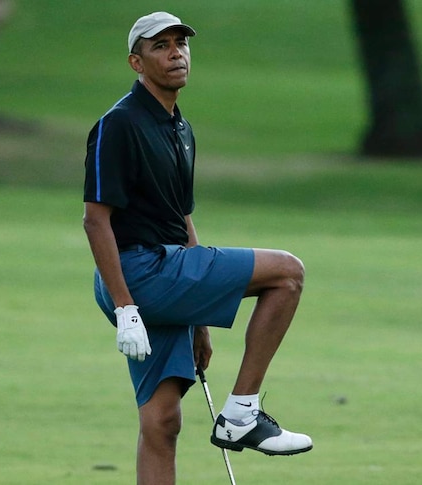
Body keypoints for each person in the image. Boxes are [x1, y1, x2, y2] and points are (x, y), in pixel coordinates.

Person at [82, 11, 313, 484]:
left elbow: (181, 221)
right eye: (160, 46)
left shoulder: (180, 129)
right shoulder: (118, 125)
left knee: (161, 422)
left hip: (166, 275)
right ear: (136, 62)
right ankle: (242, 414)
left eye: (180, 44)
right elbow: (95, 220)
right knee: (287, 273)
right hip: (137, 275)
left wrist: (200, 321)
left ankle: (237, 415)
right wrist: (126, 307)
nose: (175, 53)